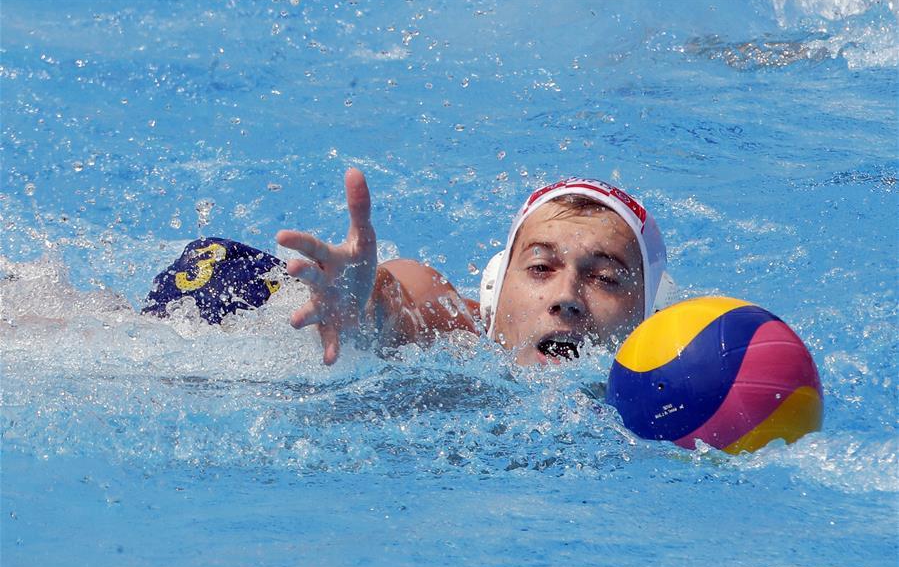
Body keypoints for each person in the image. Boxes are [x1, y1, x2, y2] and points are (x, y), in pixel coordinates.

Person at [144, 168, 675, 366]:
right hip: (228, 301)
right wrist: (362, 304)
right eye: (540, 268)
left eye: (606, 278)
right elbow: (401, 301)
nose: (567, 297)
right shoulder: (457, 327)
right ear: (495, 289)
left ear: (646, 320)